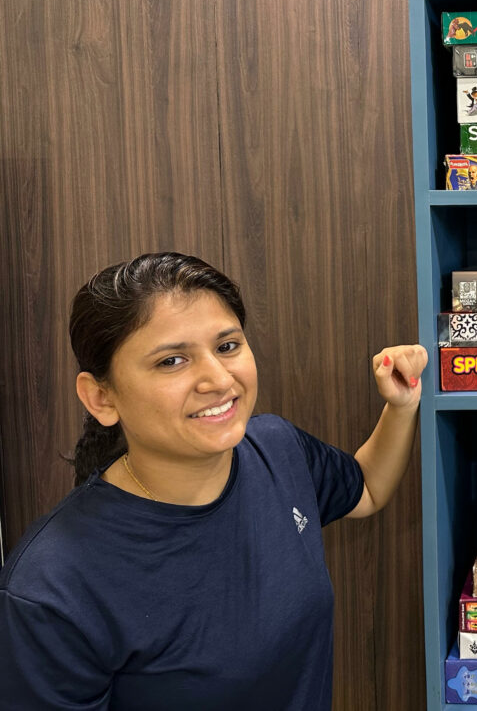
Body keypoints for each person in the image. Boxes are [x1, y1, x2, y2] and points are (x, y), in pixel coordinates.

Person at [0, 253, 428, 710]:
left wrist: (400, 406)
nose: (219, 379)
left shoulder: (276, 448)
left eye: (227, 346)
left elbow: (366, 488)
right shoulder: (51, 587)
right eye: (172, 361)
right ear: (101, 397)